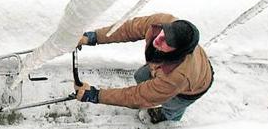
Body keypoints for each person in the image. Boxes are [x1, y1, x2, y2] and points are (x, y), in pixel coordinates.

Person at [74, 13, 214, 124]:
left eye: (167, 42)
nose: (158, 40)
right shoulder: (162, 22)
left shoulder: (177, 77)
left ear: (177, 51)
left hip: (193, 88)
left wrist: (95, 95)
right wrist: (93, 37)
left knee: (172, 105)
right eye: (163, 34)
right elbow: (128, 29)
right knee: (140, 76)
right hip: (169, 68)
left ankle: (168, 117)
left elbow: (138, 97)